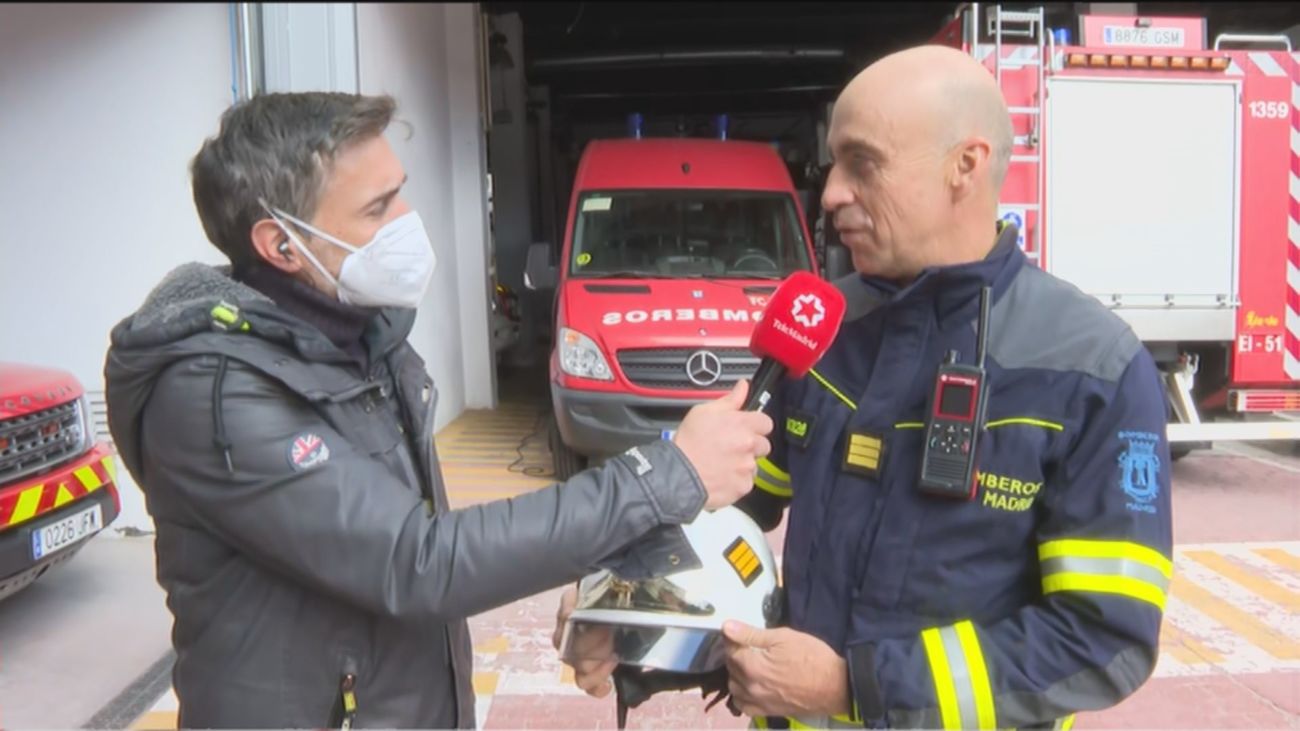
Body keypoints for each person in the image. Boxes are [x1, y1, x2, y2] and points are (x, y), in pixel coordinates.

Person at [103, 91, 773, 730]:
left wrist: (610, 597)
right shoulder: (213, 392)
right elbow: (418, 562)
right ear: (282, 245)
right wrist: (664, 475)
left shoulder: (363, 341)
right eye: (377, 208)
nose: (407, 222)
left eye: (401, 191)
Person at [556, 44, 1173, 730]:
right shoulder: (821, 328)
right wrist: (618, 600)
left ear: (963, 167)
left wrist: (855, 686)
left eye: (863, 163)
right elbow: (723, 507)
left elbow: (1100, 640)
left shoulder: (1092, 368)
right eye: (833, 165)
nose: (831, 193)